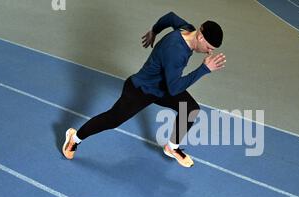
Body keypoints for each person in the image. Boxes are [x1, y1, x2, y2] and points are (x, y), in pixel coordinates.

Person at [62, 11, 225, 168]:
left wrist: (154, 30)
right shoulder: (176, 50)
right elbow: (175, 88)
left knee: (190, 109)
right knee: (112, 119)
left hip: (161, 88)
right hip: (141, 89)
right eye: (209, 47)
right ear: (201, 37)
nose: (210, 51)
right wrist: (204, 69)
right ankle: (74, 138)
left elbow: (170, 17)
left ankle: (171, 147)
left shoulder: (187, 29)